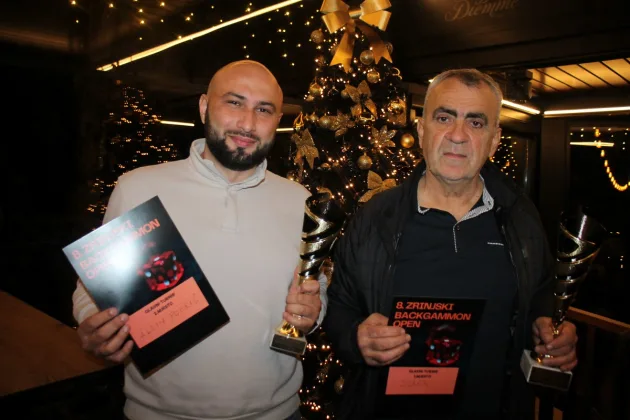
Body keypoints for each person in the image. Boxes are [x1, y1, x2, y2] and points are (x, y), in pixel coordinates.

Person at [72, 60, 325, 420]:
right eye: (234, 102)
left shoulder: (301, 202)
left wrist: (314, 311)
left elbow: (316, 288)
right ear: (205, 107)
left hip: (277, 413)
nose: (248, 123)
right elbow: (92, 286)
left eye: (264, 110)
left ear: (278, 119)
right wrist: (94, 325)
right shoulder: (139, 187)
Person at [323, 69, 578, 420]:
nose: (458, 136)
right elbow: (338, 305)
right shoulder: (375, 217)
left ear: (494, 140)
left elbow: (540, 297)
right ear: (422, 130)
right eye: (444, 118)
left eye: (476, 123)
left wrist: (548, 329)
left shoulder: (521, 218)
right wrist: (356, 338)